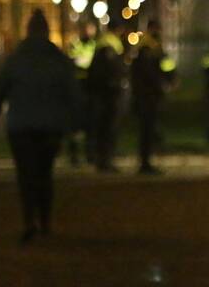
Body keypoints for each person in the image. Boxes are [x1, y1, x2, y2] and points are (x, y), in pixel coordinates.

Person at [0, 10, 79, 243]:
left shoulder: (16, 59)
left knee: (25, 175)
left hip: (21, 127)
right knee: (44, 174)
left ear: (27, 31)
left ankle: (29, 221)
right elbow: (72, 92)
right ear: (47, 31)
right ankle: (46, 221)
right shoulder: (57, 58)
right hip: (50, 127)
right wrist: (74, 121)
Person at [130, 20, 175, 176]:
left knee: (149, 128)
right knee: (147, 128)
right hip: (147, 95)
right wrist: (164, 83)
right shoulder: (147, 46)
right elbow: (149, 72)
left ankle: (147, 160)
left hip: (150, 94)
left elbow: (165, 65)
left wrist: (170, 79)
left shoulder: (153, 45)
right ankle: (145, 162)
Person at [87, 23, 126, 173]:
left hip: (100, 92)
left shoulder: (101, 42)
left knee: (101, 127)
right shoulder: (111, 44)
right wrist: (118, 82)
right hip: (110, 93)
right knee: (109, 127)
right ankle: (106, 160)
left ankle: (100, 159)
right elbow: (113, 69)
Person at [65, 22, 97, 167]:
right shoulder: (76, 45)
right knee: (76, 125)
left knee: (89, 124)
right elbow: (74, 62)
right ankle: (75, 156)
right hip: (79, 87)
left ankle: (89, 154)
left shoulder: (94, 45)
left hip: (88, 88)